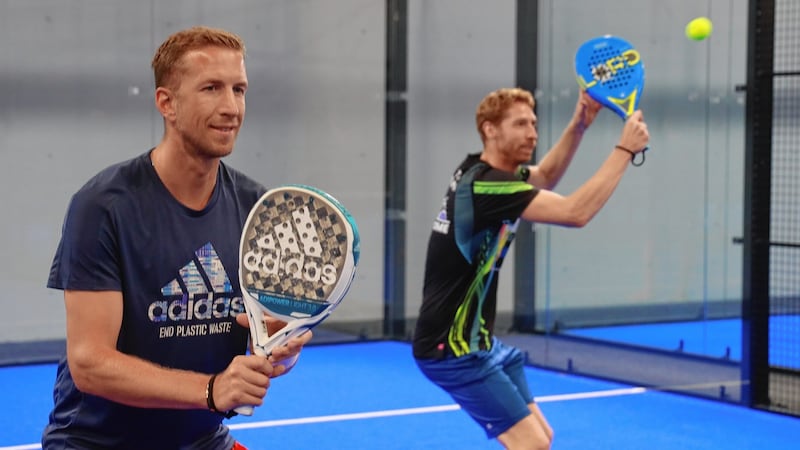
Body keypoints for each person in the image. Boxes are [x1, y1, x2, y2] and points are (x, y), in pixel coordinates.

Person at [42, 26, 312, 450]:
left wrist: (281, 346)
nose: (231, 107)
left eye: (239, 89)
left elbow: (269, 345)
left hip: (204, 440)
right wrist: (211, 390)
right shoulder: (103, 207)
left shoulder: (259, 209)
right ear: (166, 103)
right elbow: (89, 363)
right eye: (211, 88)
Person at [412, 87, 649, 449]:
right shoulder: (486, 187)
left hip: (478, 341)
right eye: (520, 124)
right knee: (532, 444)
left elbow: (547, 176)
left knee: (542, 438)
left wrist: (580, 125)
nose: (533, 133)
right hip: (451, 347)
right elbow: (575, 212)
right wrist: (625, 150)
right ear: (490, 129)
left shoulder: (475, 169)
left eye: (534, 124)